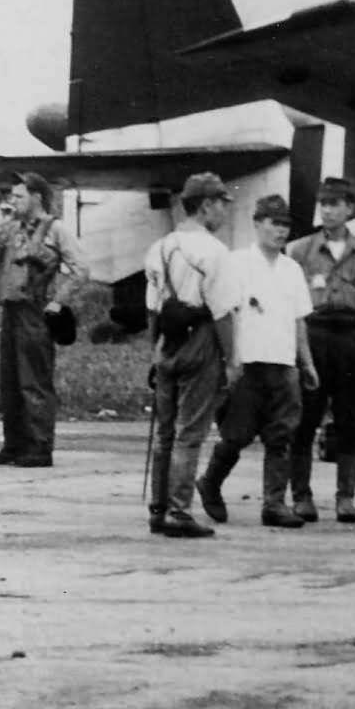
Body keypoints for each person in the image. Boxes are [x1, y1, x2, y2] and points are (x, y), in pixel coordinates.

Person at [197, 194, 318, 529]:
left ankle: (274, 504)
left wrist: (306, 364)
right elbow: (223, 313)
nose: (280, 231)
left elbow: (299, 321)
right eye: (273, 223)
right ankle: (210, 483)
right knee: (236, 434)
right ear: (257, 223)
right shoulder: (236, 264)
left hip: (283, 363)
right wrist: (228, 362)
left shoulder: (292, 269)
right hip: (247, 363)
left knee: (282, 435)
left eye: (285, 225)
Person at [144, 172, 242, 539]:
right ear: (205, 206)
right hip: (200, 338)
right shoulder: (215, 251)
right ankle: (179, 511)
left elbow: (152, 308)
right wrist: (232, 361)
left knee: (165, 433)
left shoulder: (160, 247)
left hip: (167, 341)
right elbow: (223, 313)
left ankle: (158, 508)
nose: (224, 211)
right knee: (190, 433)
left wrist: (155, 353)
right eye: (221, 203)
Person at [287, 176, 355, 523]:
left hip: (349, 336)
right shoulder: (300, 250)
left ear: (349, 209)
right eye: (323, 203)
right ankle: (301, 496)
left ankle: (346, 497)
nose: (327, 210)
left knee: (352, 419)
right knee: (304, 418)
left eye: (335, 204)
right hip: (314, 334)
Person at [0, 172, 82, 467]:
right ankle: (14, 443)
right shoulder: (9, 230)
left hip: (36, 311)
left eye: (20, 196)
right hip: (11, 310)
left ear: (37, 197)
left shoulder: (56, 230)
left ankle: (39, 445)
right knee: (9, 382)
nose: (14, 201)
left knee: (33, 380)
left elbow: (81, 269)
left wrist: (58, 301)